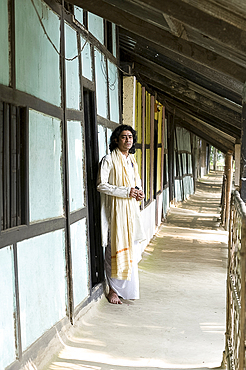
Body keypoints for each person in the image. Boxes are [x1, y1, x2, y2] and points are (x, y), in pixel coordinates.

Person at [97, 125, 146, 304]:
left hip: (130, 212)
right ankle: (113, 290)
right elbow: (101, 185)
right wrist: (127, 192)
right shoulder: (108, 160)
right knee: (113, 249)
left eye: (130, 137)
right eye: (124, 137)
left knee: (130, 252)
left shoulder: (132, 160)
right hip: (115, 212)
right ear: (116, 139)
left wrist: (139, 192)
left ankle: (126, 289)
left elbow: (136, 182)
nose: (128, 140)